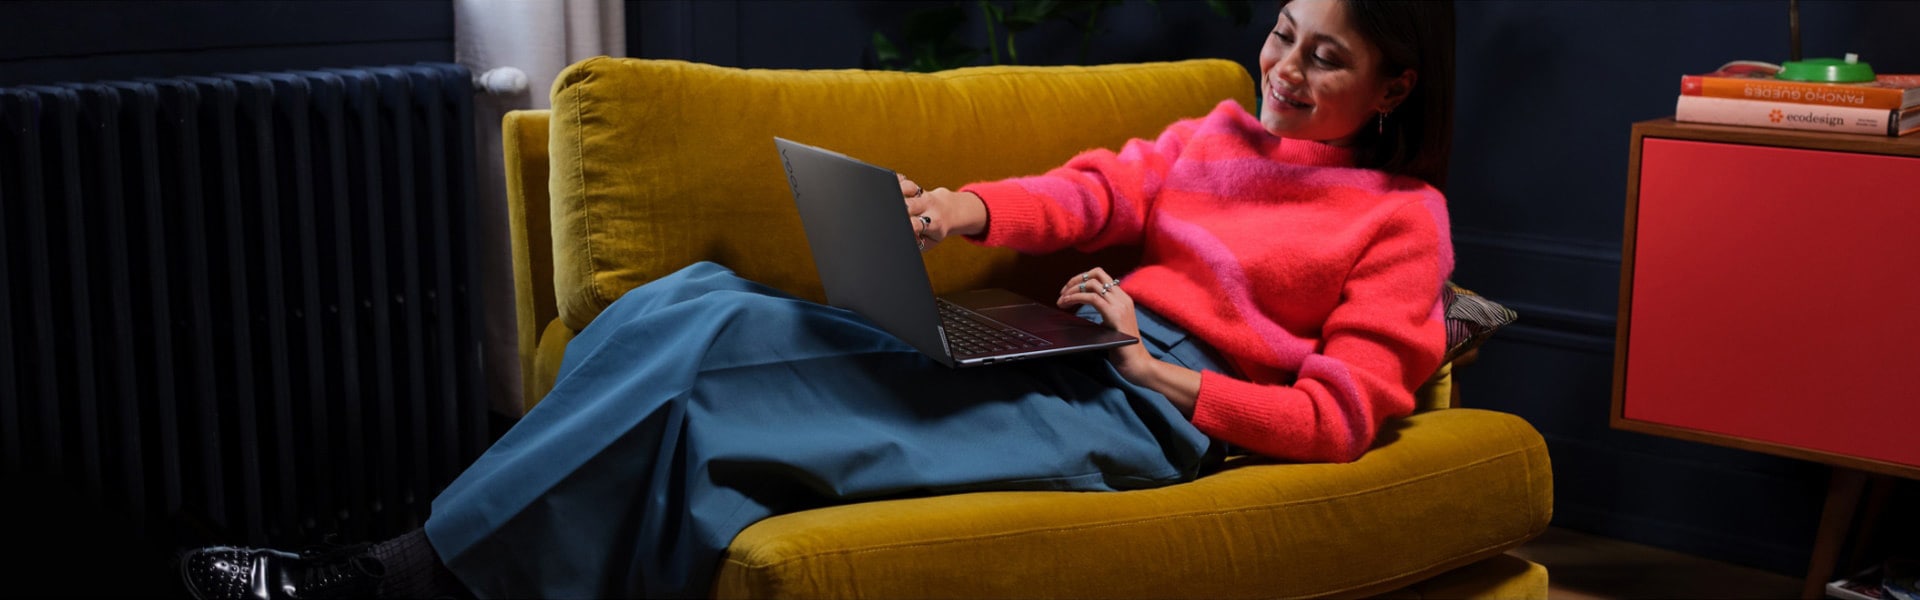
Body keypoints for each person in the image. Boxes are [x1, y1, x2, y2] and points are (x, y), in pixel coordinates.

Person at [179, 0, 1457, 598]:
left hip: (1147, 412)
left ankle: (381, 585)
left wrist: (1165, 372)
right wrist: (959, 209)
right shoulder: (1209, 131)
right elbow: (1090, 192)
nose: (1283, 68)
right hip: (1066, 344)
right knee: (677, 305)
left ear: (1393, 86)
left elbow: (1346, 410)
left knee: (702, 380)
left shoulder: (1401, 221)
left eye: (1325, 55)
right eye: (1283, 31)